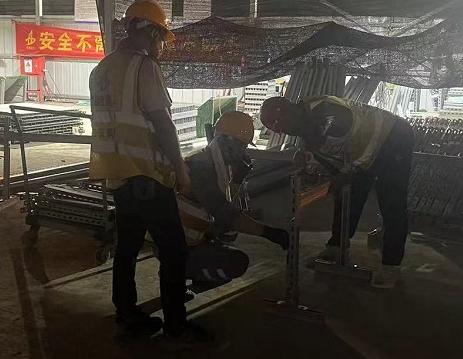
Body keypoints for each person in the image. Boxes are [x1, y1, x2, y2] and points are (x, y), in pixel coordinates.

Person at [88, 0, 212, 343]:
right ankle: (176, 325)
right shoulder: (144, 67)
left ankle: (127, 315)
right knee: (174, 251)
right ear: (151, 32)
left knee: (127, 249)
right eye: (161, 38)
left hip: (118, 175)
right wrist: (180, 169)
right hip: (148, 175)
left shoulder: (101, 69)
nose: (162, 47)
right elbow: (163, 124)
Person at [260, 94, 414, 288]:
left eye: (283, 126)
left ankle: (391, 265)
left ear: (288, 110)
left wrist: (346, 171)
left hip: (392, 137)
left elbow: (334, 128)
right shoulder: (305, 128)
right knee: (347, 196)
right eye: (281, 130)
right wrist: (317, 162)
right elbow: (331, 157)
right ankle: (336, 247)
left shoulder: (325, 109)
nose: (286, 131)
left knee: (392, 202)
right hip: (362, 153)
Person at [170, 111, 289, 290]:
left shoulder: (217, 164)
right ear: (225, 141)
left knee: (230, 234)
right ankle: (175, 273)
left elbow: (227, 206)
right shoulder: (200, 166)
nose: (243, 151)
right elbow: (224, 212)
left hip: (193, 236)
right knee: (235, 262)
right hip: (176, 243)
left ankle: (189, 272)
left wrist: (237, 180)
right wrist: (268, 233)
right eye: (240, 146)